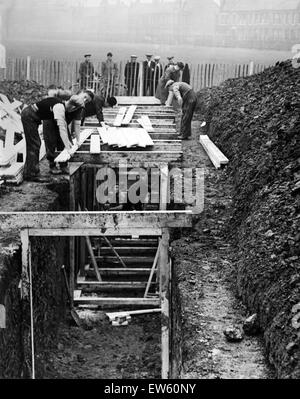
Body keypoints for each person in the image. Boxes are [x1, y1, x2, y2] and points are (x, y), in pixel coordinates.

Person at [21, 92, 93, 181]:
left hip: (36, 117)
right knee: (34, 144)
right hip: (29, 116)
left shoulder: (71, 106)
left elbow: (71, 126)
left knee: (36, 144)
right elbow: (62, 129)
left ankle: (32, 172)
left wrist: (77, 141)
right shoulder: (59, 107)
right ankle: (31, 174)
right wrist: (68, 148)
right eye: (74, 108)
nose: (73, 110)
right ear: (71, 106)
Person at [43, 88, 94, 175]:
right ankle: (52, 165)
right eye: (85, 97)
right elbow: (51, 93)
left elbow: (77, 124)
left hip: (63, 123)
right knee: (50, 141)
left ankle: (63, 165)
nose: (84, 100)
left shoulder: (80, 108)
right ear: (80, 92)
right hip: (50, 118)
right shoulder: (67, 94)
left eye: (87, 101)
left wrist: (78, 140)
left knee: (64, 142)